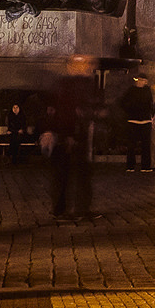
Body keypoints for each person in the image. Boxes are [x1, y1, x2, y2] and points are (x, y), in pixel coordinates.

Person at [49, 54, 102, 221]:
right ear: (71, 67)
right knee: (64, 173)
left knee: (83, 172)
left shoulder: (86, 83)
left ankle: (81, 208)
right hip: (69, 134)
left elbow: (89, 106)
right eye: (81, 63)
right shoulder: (66, 85)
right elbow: (65, 110)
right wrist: (69, 134)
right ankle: (62, 210)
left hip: (81, 133)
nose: (86, 66)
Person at [119, 74, 155, 172]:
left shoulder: (147, 91)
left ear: (146, 82)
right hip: (133, 120)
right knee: (131, 145)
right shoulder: (131, 90)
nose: (139, 82)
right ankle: (130, 166)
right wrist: (130, 111)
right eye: (138, 80)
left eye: (142, 80)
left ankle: (145, 166)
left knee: (146, 145)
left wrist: (149, 114)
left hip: (145, 120)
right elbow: (123, 102)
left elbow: (151, 104)